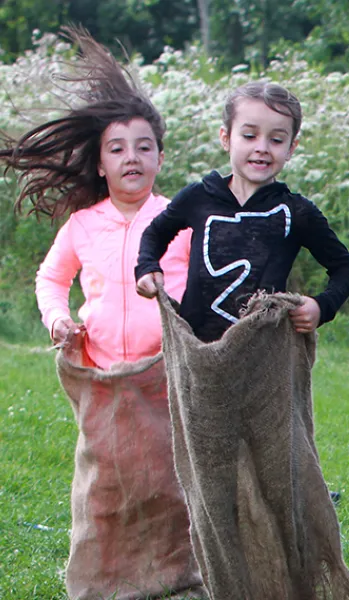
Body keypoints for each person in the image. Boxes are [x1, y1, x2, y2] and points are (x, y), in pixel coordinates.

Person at [1, 26, 200, 598]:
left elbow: (206, 282)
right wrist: (57, 318)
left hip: (167, 373)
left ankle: (180, 571)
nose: (131, 157)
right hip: (105, 378)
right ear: (100, 164)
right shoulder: (83, 225)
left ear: (160, 156)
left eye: (144, 146)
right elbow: (49, 278)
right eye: (117, 149)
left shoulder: (179, 217)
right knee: (108, 484)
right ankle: (108, 575)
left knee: (170, 479)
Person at [135, 81, 349, 341]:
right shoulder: (198, 197)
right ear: (226, 138)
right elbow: (155, 233)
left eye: (276, 140)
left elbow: (345, 268)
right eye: (249, 136)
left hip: (263, 354)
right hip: (196, 352)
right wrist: (147, 266)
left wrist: (322, 306)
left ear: (291, 148)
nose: (262, 147)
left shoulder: (297, 212)